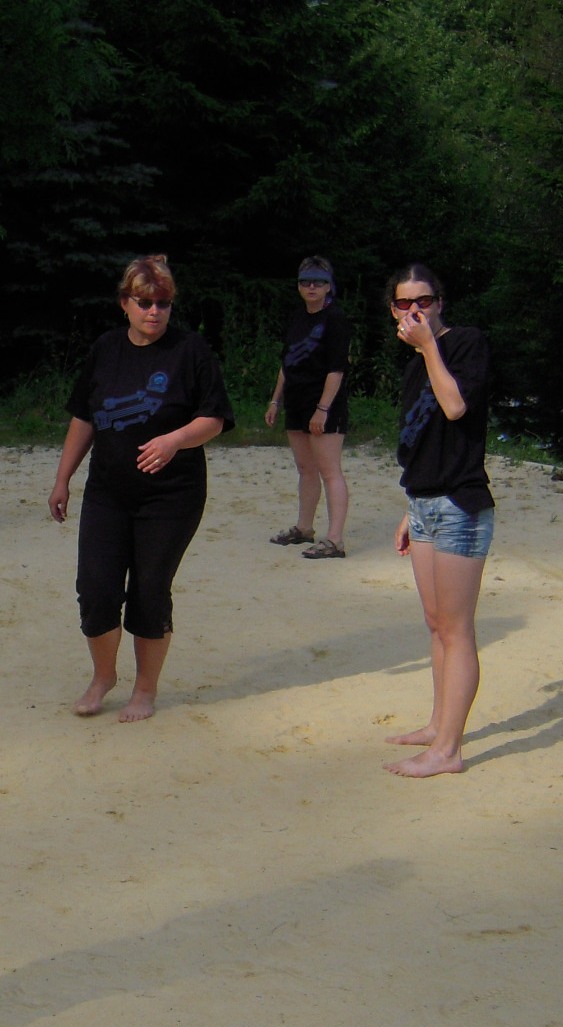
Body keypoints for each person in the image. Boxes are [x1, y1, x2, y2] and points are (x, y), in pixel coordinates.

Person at [48, 255, 234, 721]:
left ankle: (145, 690)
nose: (154, 311)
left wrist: (175, 440)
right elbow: (85, 417)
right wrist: (62, 478)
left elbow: (215, 418)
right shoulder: (106, 349)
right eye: (144, 302)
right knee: (96, 589)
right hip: (108, 492)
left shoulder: (190, 351)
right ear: (124, 303)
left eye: (163, 303)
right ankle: (103, 676)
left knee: (150, 589)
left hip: (171, 496)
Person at [382, 264, 492, 777]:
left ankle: (448, 751)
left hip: (460, 504)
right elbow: (422, 443)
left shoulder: (465, 344)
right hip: (424, 504)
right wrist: (410, 507)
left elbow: (454, 408)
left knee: (456, 627)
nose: (414, 312)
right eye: (404, 304)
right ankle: (436, 725)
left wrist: (429, 347)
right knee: (435, 623)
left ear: (439, 302)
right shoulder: (413, 367)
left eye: (423, 301)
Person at [264, 255, 352, 558]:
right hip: (296, 401)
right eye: (305, 282)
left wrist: (323, 409)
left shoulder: (335, 319)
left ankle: (335, 539)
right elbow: (287, 363)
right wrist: (275, 400)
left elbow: (337, 369)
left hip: (324, 404)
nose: (311, 287)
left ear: (329, 286)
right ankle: (304, 528)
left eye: (318, 282)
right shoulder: (298, 317)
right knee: (305, 469)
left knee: (330, 471)